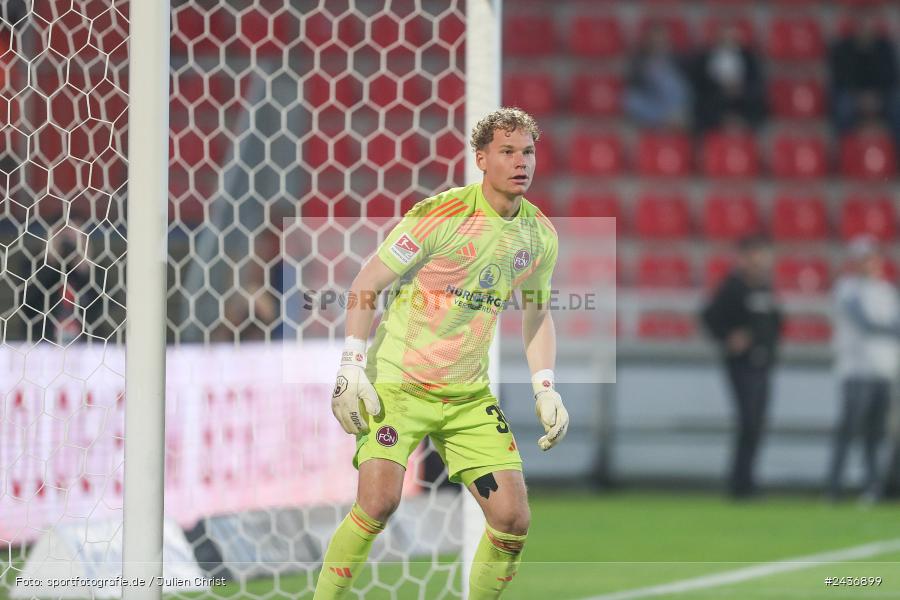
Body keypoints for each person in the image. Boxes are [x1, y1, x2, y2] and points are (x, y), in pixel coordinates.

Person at [312, 108, 566, 599]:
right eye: (507, 152)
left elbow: (537, 315)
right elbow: (368, 283)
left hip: (466, 396)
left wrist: (545, 387)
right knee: (378, 502)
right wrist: (351, 363)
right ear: (481, 158)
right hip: (398, 385)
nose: (521, 162)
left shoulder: (539, 237)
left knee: (512, 518)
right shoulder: (442, 215)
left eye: (528, 152)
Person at [701, 235, 782, 499]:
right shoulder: (732, 288)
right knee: (748, 422)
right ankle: (740, 483)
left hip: (763, 364)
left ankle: (748, 480)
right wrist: (728, 338)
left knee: (757, 423)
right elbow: (709, 317)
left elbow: (777, 323)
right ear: (744, 258)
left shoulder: (766, 288)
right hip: (742, 365)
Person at [827, 237, 900, 502]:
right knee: (849, 429)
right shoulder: (847, 289)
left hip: (884, 369)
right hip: (856, 369)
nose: (868, 264)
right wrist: (889, 329)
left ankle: (872, 487)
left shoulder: (886, 291)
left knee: (876, 433)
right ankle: (834, 486)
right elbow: (866, 323)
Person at [828, 11, 900, 140]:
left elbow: (891, 77)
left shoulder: (886, 47)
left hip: (881, 96)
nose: (866, 28)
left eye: (869, 24)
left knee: (896, 104)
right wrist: (859, 97)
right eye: (862, 25)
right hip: (852, 95)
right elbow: (840, 78)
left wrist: (877, 96)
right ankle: (842, 151)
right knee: (843, 107)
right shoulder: (843, 47)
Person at [691, 24, 766, 133]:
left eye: (731, 37)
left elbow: (756, 81)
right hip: (715, 99)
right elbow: (700, 83)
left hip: (742, 99)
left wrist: (740, 89)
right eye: (725, 37)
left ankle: (745, 127)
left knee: (755, 100)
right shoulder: (705, 58)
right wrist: (721, 88)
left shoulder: (749, 58)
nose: (728, 41)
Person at [624, 23, 692, 129]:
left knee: (671, 82)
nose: (658, 41)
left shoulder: (677, 58)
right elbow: (634, 83)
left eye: (661, 38)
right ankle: (664, 120)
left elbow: (682, 87)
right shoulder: (639, 60)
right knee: (630, 99)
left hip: (672, 101)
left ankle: (673, 117)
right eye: (655, 38)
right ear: (648, 40)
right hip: (651, 100)